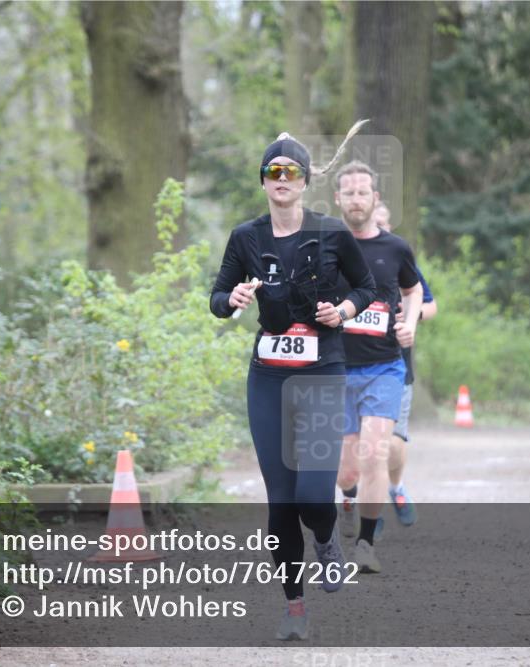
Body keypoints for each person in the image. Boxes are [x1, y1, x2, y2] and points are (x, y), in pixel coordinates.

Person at [209, 130, 376, 641]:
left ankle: (326, 539)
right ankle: (295, 608)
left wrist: (342, 310)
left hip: (323, 371)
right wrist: (233, 298)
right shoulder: (246, 238)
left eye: (291, 172)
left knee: (312, 494)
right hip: (269, 377)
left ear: (305, 182)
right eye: (273, 171)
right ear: (263, 181)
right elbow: (216, 298)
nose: (282, 180)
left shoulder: (331, 234)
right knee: (281, 500)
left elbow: (367, 287)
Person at [332, 161, 422, 574]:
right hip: (337, 369)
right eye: (348, 193)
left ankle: (366, 545)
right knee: (347, 469)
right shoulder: (325, 246)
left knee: (373, 455)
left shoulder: (396, 248)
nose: (355, 199)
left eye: (362, 192)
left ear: (375, 198)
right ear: (338, 199)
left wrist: (408, 322)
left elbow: (413, 288)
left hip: (384, 368)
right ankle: (348, 495)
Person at [340, 202, 436, 538]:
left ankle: (393, 490)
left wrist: (410, 318)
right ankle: (362, 501)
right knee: (353, 461)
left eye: (382, 221)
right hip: (350, 367)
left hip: (394, 366)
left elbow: (426, 300)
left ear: (389, 224)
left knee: (388, 446)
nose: (374, 226)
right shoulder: (343, 254)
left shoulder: (397, 254)